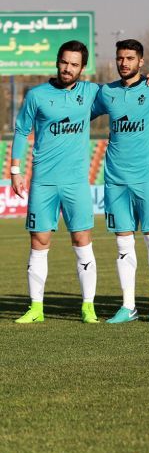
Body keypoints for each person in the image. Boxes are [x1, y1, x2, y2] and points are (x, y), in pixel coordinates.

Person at [11, 41, 101, 324]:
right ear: (57, 61)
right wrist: (15, 170)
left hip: (76, 183)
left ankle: (88, 307)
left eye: (74, 64)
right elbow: (21, 130)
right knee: (39, 241)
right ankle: (36, 308)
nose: (67, 68)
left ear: (82, 68)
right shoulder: (37, 95)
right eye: (64, 62)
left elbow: (126, 90)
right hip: (44, 182)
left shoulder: (91, 92)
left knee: (82, 240)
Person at [90, 39, 149, 324]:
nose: (124, 63)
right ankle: (128, 306)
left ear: (141, 62)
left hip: (147, 178)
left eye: (129, 58)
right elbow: (80, 112)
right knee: (123, 245)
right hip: (116, 180)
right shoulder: (107, 92)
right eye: (120, 58)